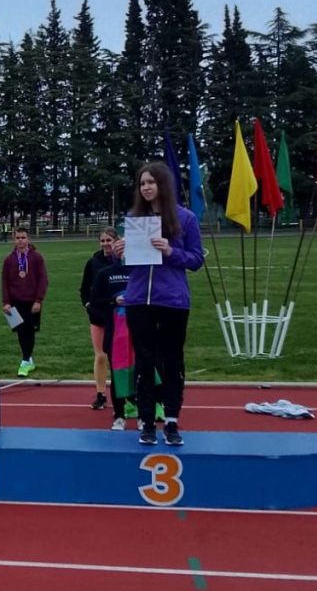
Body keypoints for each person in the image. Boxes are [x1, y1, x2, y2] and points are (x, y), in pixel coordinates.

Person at [113, 162, 204, 447]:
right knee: (144, 362)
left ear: (163, 184)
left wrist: (170, 251)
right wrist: (119, 253)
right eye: (142, 183)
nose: (146, 187)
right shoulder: (134, 218)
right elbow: (130, 264)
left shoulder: (185, 218)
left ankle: (172, 422)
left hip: (172, 301)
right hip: (139, 300)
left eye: (151, 182)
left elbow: (196, 260)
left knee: (172, 361)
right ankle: (147, 422)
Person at [90, 254, 133, 430]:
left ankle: (144, 416)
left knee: (141, 372)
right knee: (118, 373)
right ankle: (119, 415)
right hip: (115, 331)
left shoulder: (141, 271)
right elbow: (95, 301)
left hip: (138, 330)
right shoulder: (105, 273)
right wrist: (113, 300)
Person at [79, 228, 119, 410]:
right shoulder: (93, 262)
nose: (105, 244)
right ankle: (101, 394)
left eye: (109, 240)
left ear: (116, 241)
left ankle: (124, 395)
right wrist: (88, 305)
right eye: (102, 241)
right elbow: (84, 288)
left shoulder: (123, 261)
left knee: (119, 358)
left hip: (119, 316)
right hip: (98, 316)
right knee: (101, 356)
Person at [1, 227, 49, 377]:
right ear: (14, 239)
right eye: (18, 238)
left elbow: (43, 280)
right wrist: (6, 302)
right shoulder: (9, 260)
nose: (20, 241)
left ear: (28, 239)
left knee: (30, 331)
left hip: (32, 302)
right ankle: (28, 359)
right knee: (21, 332)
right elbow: (5, 282)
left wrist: (38, 300)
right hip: (15, 302)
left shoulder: (37, 257)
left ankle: (25, 360)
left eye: (23, 238)